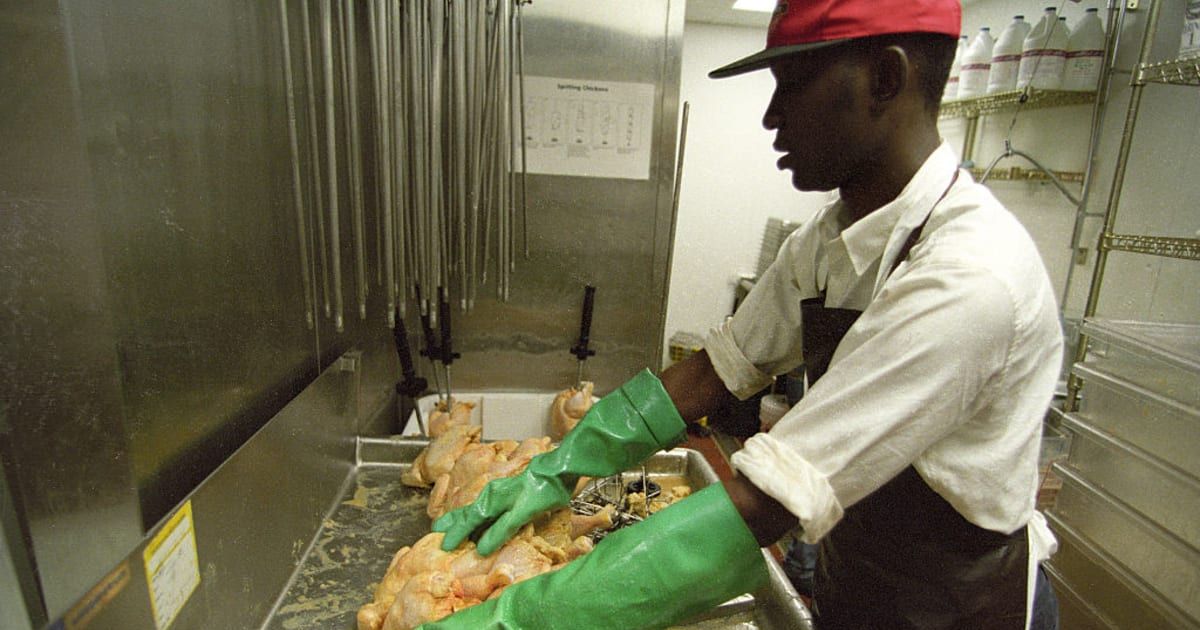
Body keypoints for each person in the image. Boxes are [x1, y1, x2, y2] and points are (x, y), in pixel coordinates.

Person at [420, 1, 1063, 628]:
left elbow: (763, 504)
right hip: (858, 581)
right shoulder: (830, 240)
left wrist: (515, 615)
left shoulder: (970, 279)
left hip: (958, 606)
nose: (771, 116)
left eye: (793, 83)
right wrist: (556, 470)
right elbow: (715, 372)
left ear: (885, 79)